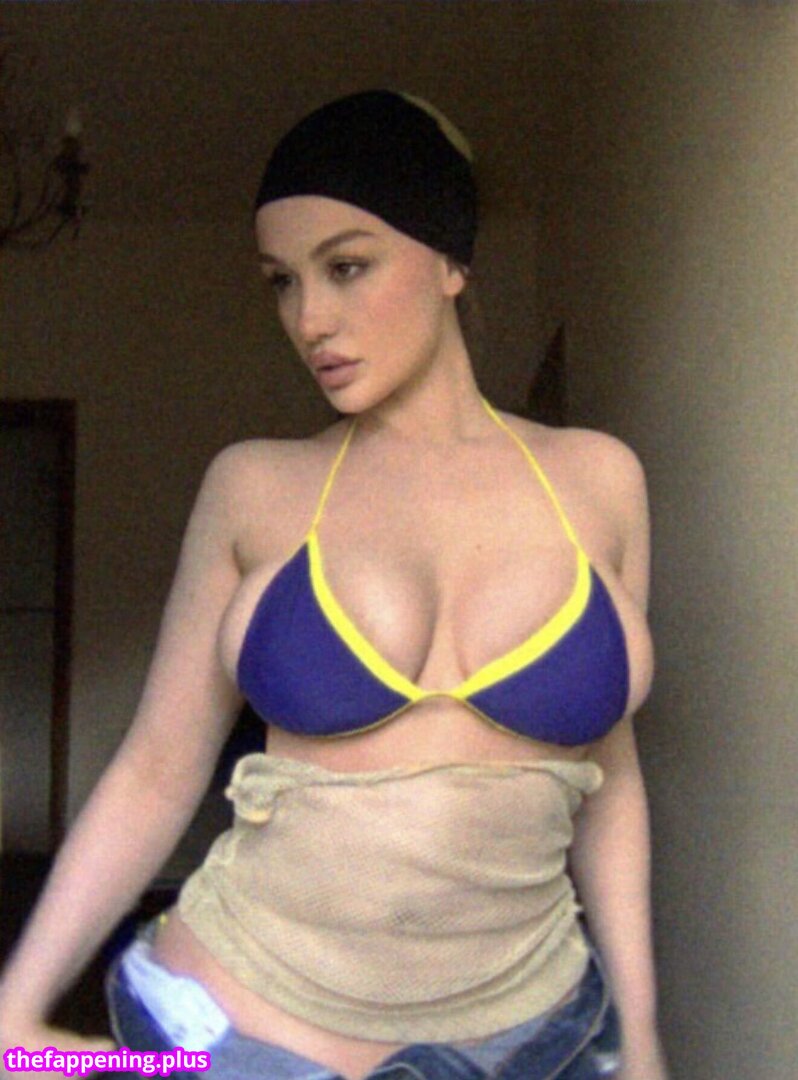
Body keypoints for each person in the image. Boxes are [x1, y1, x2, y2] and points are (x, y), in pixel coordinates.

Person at [0, 90, 668, 1080]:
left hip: (530, 1037)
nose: (309, 318)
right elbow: (156, 767)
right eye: (283, 281)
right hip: (240, 1036)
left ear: (450, 261)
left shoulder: (600, 481)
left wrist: (641, 1036)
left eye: (347, 266)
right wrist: (14, 1009)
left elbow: (608, 782)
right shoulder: (256, 487)